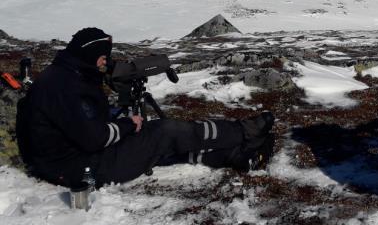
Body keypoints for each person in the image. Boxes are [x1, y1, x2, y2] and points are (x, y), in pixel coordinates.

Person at [17, 27, 275, 189]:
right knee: (165, 132)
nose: (105, 64)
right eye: (104, 57)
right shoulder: (65, 87)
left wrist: (122, 122)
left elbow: (85, 124)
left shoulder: (63, 75)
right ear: (91, 55)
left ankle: (235, 155)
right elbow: (94, 138)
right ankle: (244, 131)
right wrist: (128, 124)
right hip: (81, 169)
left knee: (155, 141)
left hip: (67, 163)